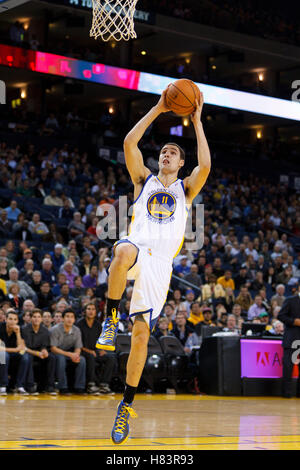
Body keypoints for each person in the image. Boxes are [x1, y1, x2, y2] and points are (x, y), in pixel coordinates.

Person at [96, 88, 211, 444]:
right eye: (163, 151)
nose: (166, 154)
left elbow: (205, 165)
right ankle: (111, 319)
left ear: (180, 165)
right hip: (138, 246)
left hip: (161, 265)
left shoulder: (186, 189)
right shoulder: (142, 180)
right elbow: (131, 143)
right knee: (121, 252)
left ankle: (125, 407)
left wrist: (197, 121)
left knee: (143, 336)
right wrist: (159, 109)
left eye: (173, 152)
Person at [77, 303, 117, 395]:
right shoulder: (79, 324)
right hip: (82, 351)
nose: (91, 311)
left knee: (111, 357)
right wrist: (89, 351)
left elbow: (100, 341)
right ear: (85, 311)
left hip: (95, 351)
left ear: (96, 312)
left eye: (93, 309)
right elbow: (77, 344)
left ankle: (104, 384)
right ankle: (91, 385)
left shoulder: (98, 325)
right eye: (89, 309)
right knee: (90, 356)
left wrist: (101, 349)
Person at [50, 308, 86, 394]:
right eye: (67, 317)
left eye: (72, 317)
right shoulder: (55, 329)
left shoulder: (77, 330)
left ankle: (79, 387)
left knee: (82, 360)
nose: (69, 319)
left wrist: (76, 355)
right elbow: (53, 348)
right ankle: (63, 387)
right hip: (57, 353)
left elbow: (78, 347)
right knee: (61, 359)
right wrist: (70, 354)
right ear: (62, 319)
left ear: (74, 319)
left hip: (69, 353)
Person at [21, 309, 57, 394]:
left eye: (39, 317)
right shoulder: (24, 330)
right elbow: (24, 347)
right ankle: (30, 385)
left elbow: (44, 346)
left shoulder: (45, 331)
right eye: (34, 317)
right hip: (28, 352)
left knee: (52, 358)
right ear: (30, 318)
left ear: (41, 319)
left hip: (39, 353)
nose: (36, 319)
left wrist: (44, 351)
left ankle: (50, 386)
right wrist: (37, 353)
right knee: (27, 357)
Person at [0, 309, 30, 395]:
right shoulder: (0, 327)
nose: (12, 321)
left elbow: (21, 348)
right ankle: (2, 386)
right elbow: (0, 348)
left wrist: (17, 334)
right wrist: (16, 349)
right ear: (5, 319)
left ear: (17, 321)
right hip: (2, 354)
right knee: (3, 355)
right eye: (10, 319)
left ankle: (20, 385)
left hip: (11, 354)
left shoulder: (19, 329)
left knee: (25, 357)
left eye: (15, 319)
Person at [278, 284, 300, 398]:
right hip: (292, 339)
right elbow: (281, 315)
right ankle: (286, 394)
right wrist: (293, 321)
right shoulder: (290, 300)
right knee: (288, 367)